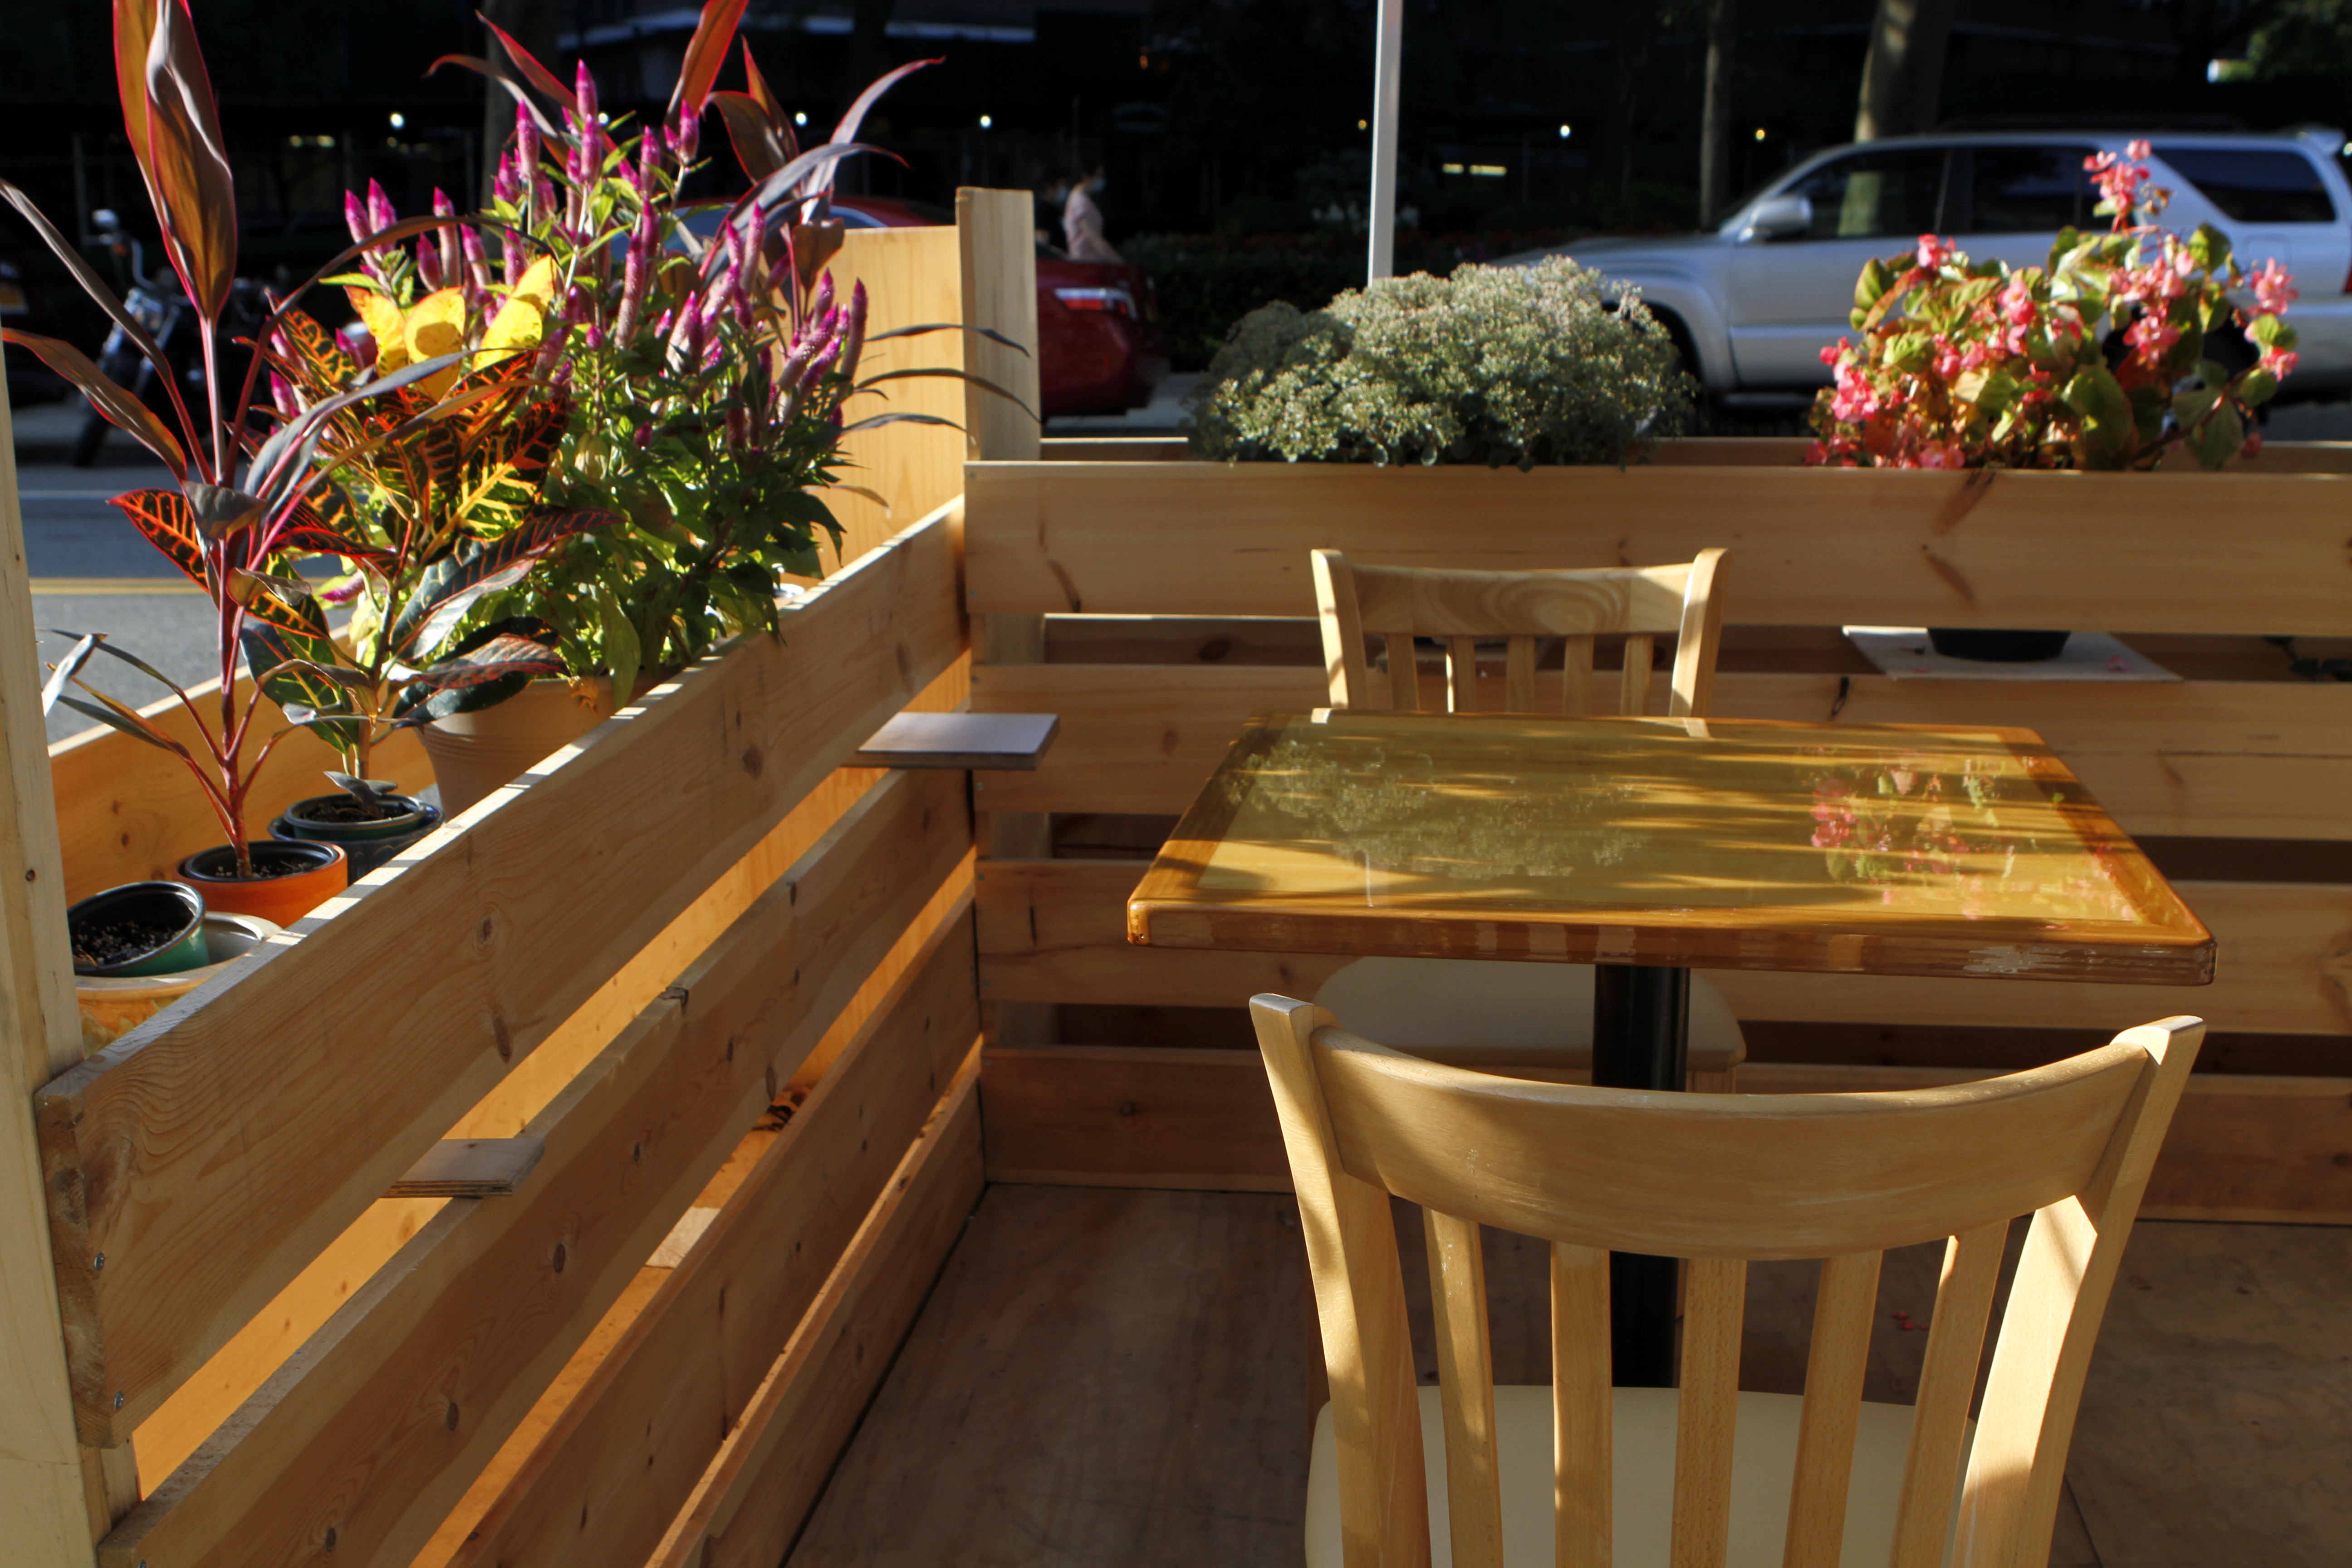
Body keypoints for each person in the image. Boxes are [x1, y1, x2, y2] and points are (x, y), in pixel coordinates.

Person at [1062, 169, 1122, 263]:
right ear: (1086, 177)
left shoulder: (1084, 200)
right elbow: (1094, 238)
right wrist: (1118, 262)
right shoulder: (1079, 202)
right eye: (1099, 176)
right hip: (1084, 265)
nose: (1101, 180)